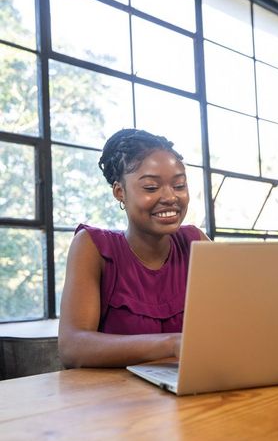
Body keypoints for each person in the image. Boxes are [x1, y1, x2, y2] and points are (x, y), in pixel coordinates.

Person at [58, 128, 209, 368]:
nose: (170, 197)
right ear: (120, 192)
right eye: (151, 187)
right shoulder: (92, 246)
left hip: (186, 389)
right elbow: (72, 348)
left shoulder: (196, 242)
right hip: (114, 398)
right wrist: (171, 344)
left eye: (179, 185)